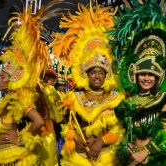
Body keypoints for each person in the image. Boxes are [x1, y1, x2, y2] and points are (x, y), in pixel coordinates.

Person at [109, 0, 166, 165]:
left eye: (151, 74)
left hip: (155, 159)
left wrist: (144, 153)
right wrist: (127, 151)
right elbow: (124, 131)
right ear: (134, 75)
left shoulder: (163, 101)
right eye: (142, 73)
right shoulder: (128, 99)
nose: (146, 78)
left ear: (158, 77)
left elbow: (165, 135)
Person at [51, 2, 125, 165]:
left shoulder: (116, 98)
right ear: (86, 74)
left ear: (107, 74)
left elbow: (119, 130)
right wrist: (74, 137)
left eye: (101, 72)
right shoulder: (74, 97)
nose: (97, 76)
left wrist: (101, 142)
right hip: (79, 157)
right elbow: (67, 125)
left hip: (106, 157)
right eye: (93, 72)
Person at [0, 6, 52, 165]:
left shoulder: (19, 99)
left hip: (14, 157)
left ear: (11, 80)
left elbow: (39, 121)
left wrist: (22, 138)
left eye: (2, 77)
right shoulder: (5, 100)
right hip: (1, 155)